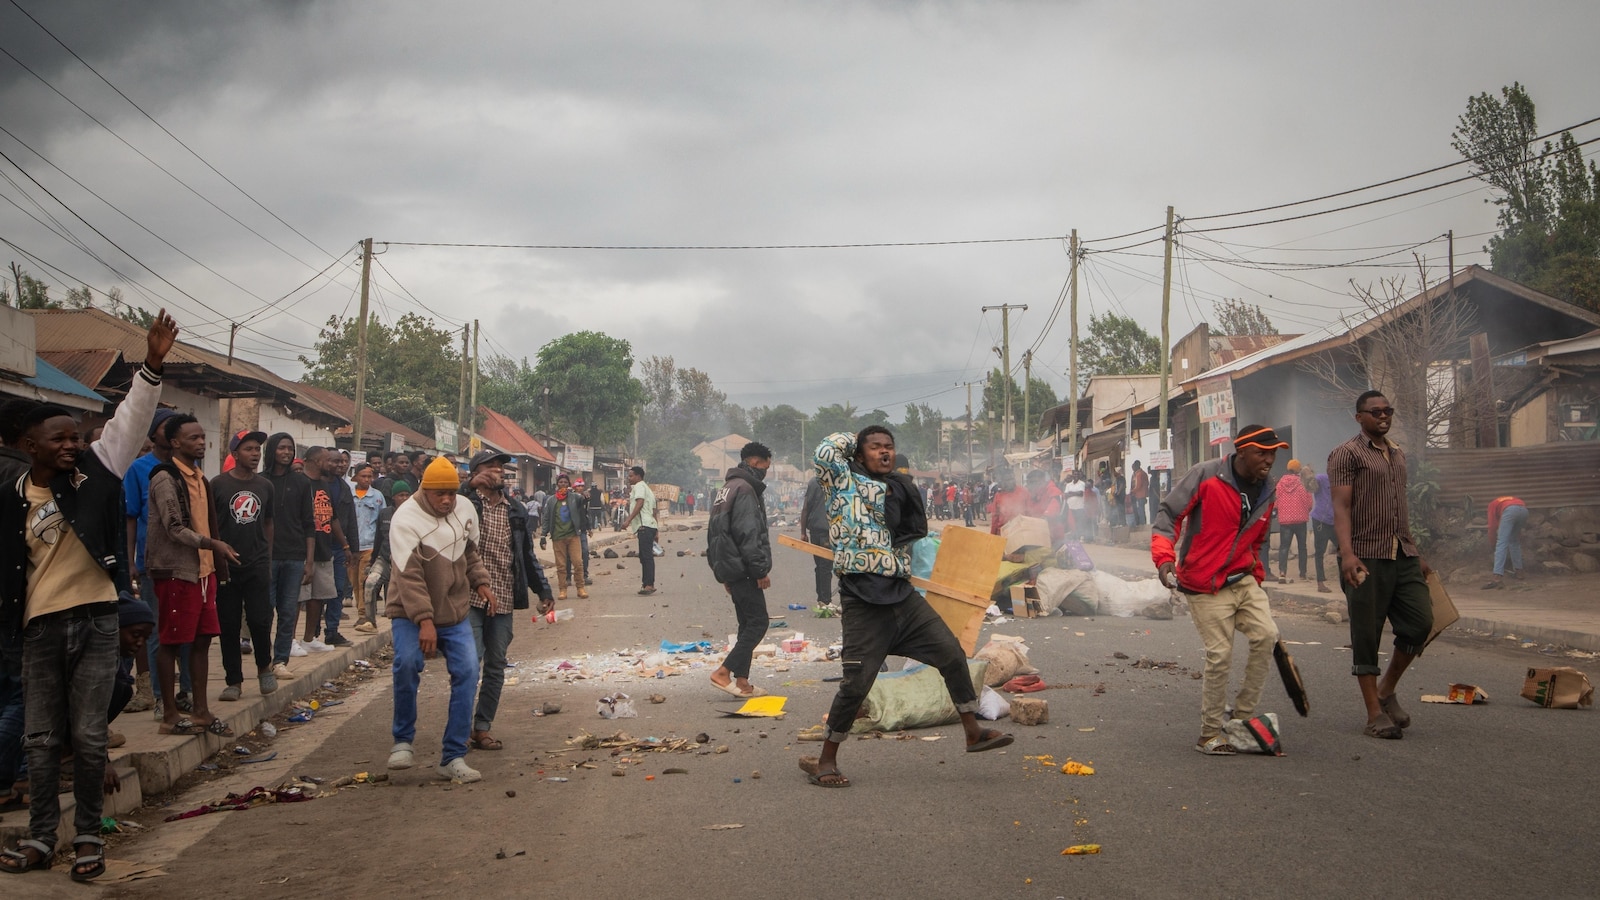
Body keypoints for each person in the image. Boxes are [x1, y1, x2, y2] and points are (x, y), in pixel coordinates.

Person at [0, 310, 175, 881]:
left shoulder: (95, 474)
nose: (74, 444)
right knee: (43, 737)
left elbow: (130, 419)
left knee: (91, 734)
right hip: (39, 627)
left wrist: (151, 364)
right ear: (31, 446)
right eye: (62, 438)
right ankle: (43, 837)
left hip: (98, 620)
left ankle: (89, 840)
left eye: (78, 436)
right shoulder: (11, 497)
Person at [801, 427, 1012, 788]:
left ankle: (973, 731)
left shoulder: (899, 488)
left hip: (902, 595)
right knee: (855, 685)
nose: (885, 453)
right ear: (858, 453)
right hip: (863, 601)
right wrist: (856, 437)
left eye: (889, 447)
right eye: (875, 447)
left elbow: (912, 532)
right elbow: (824, 450)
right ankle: (826, 759)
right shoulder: (842, 481)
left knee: (951, 654)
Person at [1154, 425, 1286, 756]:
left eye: (1273, 453)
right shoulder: (1206, 475)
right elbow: (1169, 514)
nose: (1269, 459)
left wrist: (1256, 574)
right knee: (1220, 654)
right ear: (1241, 452)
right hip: (1202, 582)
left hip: (1243, 578)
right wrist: (1164, 559)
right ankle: (1210, 733)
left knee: (1267, 635)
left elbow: (1258, 537)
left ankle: (1241, 718)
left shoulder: (1269, 490)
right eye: (1261, 452)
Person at [1328, 391, 1433, 741]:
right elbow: (1341, 506)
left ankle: (1386, 689)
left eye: (1388, 410)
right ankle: (1374, 713)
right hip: (1365, 555)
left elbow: (1399, 507)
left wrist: (1415, 552)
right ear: (1359, 417)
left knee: (1421, 623)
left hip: (1401, 553)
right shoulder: (1346, 454)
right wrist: (1346, 553)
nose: (1383, 416)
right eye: (1376, 412)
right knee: (1366, 634)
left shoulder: (1398, 454)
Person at [385, 457, 490, 784]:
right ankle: (402, 740)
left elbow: (469, 553)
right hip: (409, 612)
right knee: (407, 663)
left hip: (453, 610)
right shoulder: (405, 519)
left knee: (469, 672)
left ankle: (453, 755)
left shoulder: (464, 511)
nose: (446, 500)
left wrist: (481, 582)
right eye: (439, 494)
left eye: (451, 493)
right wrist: (425, 621)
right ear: (424, 490)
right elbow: (409, 576)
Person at [147, 414, 240, 736]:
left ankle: (201, 710)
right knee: (171, 641)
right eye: (193, 438)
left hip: (204, 570)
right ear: (174, 443)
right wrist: (212, 543)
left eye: (202, 437)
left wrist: (214, 556)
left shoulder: (200, 478)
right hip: (177, 570)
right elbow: (174, 528)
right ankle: (170, 714)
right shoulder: (165, 478)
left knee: (202, 640)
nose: (201, 442)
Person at [459, 451, 553, 752]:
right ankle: (459, 730)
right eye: (491, 467)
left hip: (504, 598)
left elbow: (525, 555)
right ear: (477, 472)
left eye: (501, 468)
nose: (499, 472)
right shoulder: (466, 503)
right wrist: (469, 485)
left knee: (496, 665)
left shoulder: (515, 509)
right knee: (469, 666)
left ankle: (482, 728)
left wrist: (544, 590)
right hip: (469, 596)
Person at [124, 406, 188, 715]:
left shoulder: (188, 465)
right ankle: (157, 695)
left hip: (187, 561)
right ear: (155, 434)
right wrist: (131, 560)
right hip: (154, 561)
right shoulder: (139, 468)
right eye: (168, 426)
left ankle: (186, 690)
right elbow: (131, 517)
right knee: (157, 629)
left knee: (187, 629)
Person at [211, 430, 278, 700]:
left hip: (257, 563)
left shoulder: (265, 486)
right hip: (227, 565)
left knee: (260, 620)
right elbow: (211, 525)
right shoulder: (217, 484)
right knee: (227, 624)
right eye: (249, 449)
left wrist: (267, 556)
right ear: (235, 453)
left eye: (257, 449)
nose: (255, 454)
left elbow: (269, 522)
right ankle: (234, 681)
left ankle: (265, 668)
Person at [707, 442, 774, 699]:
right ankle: (723, 672)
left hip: (731, 568)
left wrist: (721, 571)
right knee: (758, 622)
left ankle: (742, 681)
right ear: (756, 463)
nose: (766, 472)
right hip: (744, 568)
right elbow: (748, 534)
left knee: (746, 623)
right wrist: (759, 570)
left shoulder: (727, 488)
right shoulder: (745, 490)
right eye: (766, 467)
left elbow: (715, 532)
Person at [262, 434, 316, 677]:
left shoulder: (302, 483)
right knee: (264, 610)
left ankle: (280, 660)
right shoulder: (260, 482)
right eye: (281, 447)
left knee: (288, 610)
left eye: (290, 448)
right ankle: (263, 659)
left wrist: (309, 561)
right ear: (272, 450)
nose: (286, 452)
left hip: (294, 555)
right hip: (267, 556)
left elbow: (309, 524)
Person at [299, 447, 345, 652]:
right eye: (329, 460)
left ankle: (309, 639)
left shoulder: (325, 486)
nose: (335, 463)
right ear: (318, 461)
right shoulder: (300, 484)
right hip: (302, 549)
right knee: (298, 596)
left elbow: (332, 517)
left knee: (318, 596)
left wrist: (345, 544)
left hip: (324, 547)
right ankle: (290, 640)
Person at [350, 463, 386, 632]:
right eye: (363, 476)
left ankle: (364, 615)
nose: (366, 479)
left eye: (369, 476)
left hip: (369, 544)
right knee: (354, 582)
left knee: (364, 580)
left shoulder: (377, 496)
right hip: (351, 546)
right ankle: (360, 611)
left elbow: (382, 520)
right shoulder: (348, 494)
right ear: (355, 476)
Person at [540, 474, 588, 601]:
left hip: (573, 536)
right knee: (561, 565)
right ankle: (563, 589)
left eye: (565, 482)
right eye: (560, 482)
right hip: (557, 537)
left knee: (578, 562)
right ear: (557, 484)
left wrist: (585, 496)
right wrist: (543, 536)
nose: (563, 484)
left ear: (569, 484)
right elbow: (546, 518)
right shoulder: (551, 500)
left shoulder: (575, 498)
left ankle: (580, 588)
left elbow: (583, 501)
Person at [1274, 459, 1314, 583]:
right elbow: (1309, 502)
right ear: (1298, 469)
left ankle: (1282, 573)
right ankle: (1302, 574)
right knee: (1302, 547)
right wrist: (1306, 510)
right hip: (1300, 519)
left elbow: (1276, 501)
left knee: (1284, 547)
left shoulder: (1280, 483)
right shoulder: (1302, 483)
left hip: (1285, 520)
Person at [799, 474, 834, 609]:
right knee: (825, 566)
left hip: (815, 530)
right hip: (828, 531)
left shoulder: (813, 481)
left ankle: (821, 598)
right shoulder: (837, 480)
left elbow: (805, 508)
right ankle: (825, 601)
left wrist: (803, 532)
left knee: (820, 565)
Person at [623, 466, 658, 595]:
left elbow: (640, 503)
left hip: (644, 526)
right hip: (650, 526)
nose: (629, 478)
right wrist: (657, 530)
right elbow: (654, 511)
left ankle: (649, 584)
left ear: (638, 476)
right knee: (645, 556)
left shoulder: (639, 487)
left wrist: (628, 520)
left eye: (631, 475)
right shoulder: (648, 489)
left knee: (646, 556)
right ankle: (646, 583)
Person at [1483, 496, 1528, 589]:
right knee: (1514, 541)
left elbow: (1492, 526)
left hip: (1510, 511)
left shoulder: (1492, 505)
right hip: (1524, 510)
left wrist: (1492, 543)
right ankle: (1519, 572)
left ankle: (1497, 577)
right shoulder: (1508, 499)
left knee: (1501, 542)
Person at [1308, 466, 1336, 593]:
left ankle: (1347, 580)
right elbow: (1311, 484)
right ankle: (1320, 583)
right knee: (1320, 552)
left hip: (1335, 521)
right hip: (1320, 520)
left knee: (1343, 549)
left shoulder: (1342, 483)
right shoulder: (1322, 478)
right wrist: (1309, 477)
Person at [1023, 468, 1066, 545]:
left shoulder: (1053, 491)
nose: (1028, 486)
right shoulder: (1033, 495)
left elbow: (1054, 507)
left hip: (1061, 537)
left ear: (1041, 482)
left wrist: (1043, 518)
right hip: (1043, 537)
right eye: (1028, 483)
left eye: (1031, 483)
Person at [987, 468, 1028, 535]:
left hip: (1021, 532)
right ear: (1002, 481)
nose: (1012, 481)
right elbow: (995, 517)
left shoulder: (1023, 492)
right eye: (1008, 480)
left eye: (1012, 478)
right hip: (1003, 532)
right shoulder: (998, 495)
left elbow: (1030, 513)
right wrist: (993, 535)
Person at [1129, 460, 1149, 527]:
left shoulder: (1139, 474)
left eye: (1133, 467)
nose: (1132, 468)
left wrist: (1132, 491)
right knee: (1141, 510)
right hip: (1143, 494)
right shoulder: (1143, 473)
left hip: (1139, 495)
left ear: (1136, 466)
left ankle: (1142, 525)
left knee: (1140, 510)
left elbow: (1138, 486)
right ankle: (1142, 524)